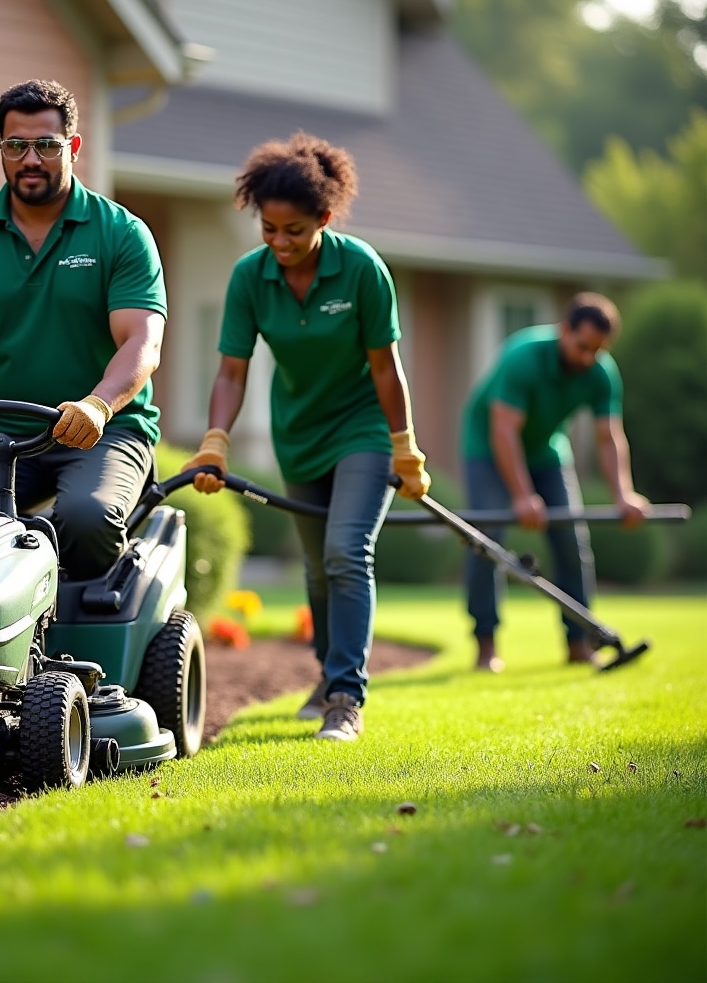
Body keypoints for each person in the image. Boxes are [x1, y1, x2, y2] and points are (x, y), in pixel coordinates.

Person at [183, 131, 430, 743]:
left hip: (364, 429)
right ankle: (327, 674)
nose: (280, 243)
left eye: (293, 230)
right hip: (299, 434)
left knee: (348, 552)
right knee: (318, 570)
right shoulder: (251, 278)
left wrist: (404, 444)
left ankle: (346, 695)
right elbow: (232, 370)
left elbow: (384, 367)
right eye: (268, 228)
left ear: (323, 217)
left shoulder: (361, 269)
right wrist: (216, 438)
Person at [0, 79, 167, 581]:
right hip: (1, 431)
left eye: (46, 145)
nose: (30, 159)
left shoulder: (121, 234)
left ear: (72, 147)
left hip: (106, 431)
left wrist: (99, 404)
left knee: (85, 521)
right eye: (15, 145)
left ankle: (77, 638)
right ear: (0, 148)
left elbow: (142, 340)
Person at [460, 293, 649, 671]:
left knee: (571, 538)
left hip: (546, 451)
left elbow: (608, 436)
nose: (586, 358)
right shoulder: (523, 357)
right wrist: (522, 494)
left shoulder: (600, 372)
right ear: (564, 330)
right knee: (488, 538)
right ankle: (486, 645)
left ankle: (579, 642)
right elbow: (503, 431)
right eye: (581, 347)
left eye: (596, 351)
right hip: (487, 447)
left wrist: (623, 494)